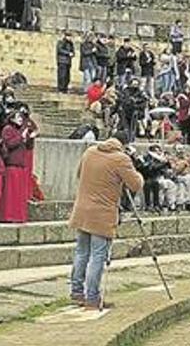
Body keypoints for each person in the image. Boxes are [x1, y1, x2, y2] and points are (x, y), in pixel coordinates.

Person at [68, 132, 144, 310]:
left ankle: (76, 291)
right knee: (98, 256)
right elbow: (136, 184)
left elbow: (79, 174)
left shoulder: (90, 152)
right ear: (125, 144)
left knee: (81, 253)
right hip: (102, 214)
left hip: (82, 210)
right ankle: (92, 297)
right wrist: (134, 165)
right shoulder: (121, 159)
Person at [0, 111, 32, 223]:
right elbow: (8, 144)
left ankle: (18, 216)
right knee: (10, 193)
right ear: (12, 118)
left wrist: (29, 137)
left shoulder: (20, 130)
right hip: (11, 164)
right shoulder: (7, 129)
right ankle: (8, 216)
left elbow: (26, 146)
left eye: (21, 117)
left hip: (21, 164)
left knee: (19, 194)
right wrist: (21, 137)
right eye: (18, 117)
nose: (20, 119)